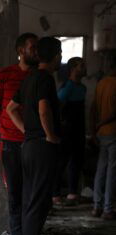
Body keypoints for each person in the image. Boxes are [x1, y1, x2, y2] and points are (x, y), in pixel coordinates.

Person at [7, 37, 62, 235]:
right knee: (38, 202)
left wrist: (28, 131)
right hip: (40, 147)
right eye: (60, 53)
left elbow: (11, 109)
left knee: (31, 199)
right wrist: (49, 134)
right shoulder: (45, 78)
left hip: (28, 146)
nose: (61, 58)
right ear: (55, 55)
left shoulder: (29, 78)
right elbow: (43, 108)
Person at [0, 33, 38, 235]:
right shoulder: (5, 74)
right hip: (10, 142)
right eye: (32, 47)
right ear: (20, 51)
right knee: (14, 191)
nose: (35, 52)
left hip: (34, 142)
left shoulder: (39, 76)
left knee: (33, 192)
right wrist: (9, 127)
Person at [52, 57, 87, 205]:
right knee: (61, 162)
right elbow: (57, 105)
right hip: (67, 130)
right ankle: (55, 194)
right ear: (72, 69)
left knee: (76, 161)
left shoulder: (82, 88)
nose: (84, 69)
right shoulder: (67, 87)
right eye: (81, 66)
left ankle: (72, 193)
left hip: (79, 129)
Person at [91, 56, 116, 220]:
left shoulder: (100, 84)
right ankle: (108, 209)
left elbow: (93, 109)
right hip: (114, 131)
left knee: (101, 169)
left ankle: (96, 206)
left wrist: (95, 128)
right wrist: (103, 122)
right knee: (112, 171)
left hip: (102, 133)